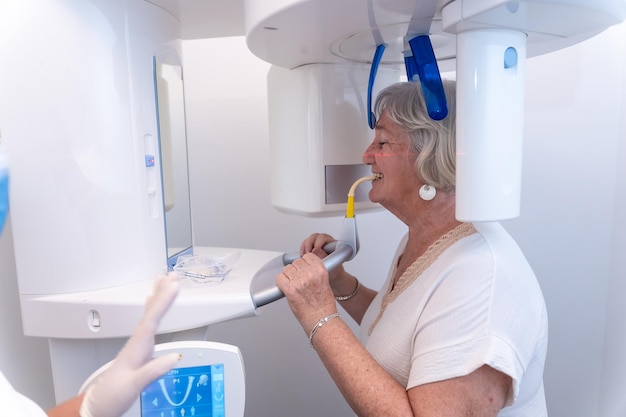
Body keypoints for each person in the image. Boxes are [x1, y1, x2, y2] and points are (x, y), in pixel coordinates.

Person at [277, 80, 548, 416]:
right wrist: (340, 285)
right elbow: (402, 333)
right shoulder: (425, 237)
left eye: (383, 141)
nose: (366, 156)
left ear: (430, 153)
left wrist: (319, 315)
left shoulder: (480, 277)